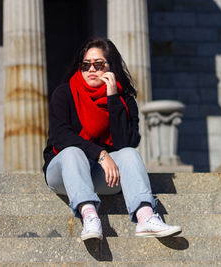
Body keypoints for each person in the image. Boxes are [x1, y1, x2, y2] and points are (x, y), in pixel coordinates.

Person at [43, 38, 181, 241]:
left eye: (99, 65)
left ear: (111, 67)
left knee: (129, 154)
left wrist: (113, 100)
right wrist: (101, 154)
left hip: (104, 177)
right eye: (85, 65)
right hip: (64, 174)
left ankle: (145, 217)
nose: (91, 69)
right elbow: (61, 137)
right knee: (73, 151)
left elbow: (127, 142)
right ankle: (89, 216)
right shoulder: (64, 93)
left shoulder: (124, 101)